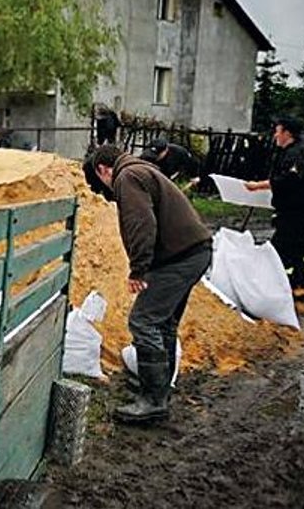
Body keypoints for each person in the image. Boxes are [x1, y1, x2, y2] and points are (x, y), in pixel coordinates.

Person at [87, 145, 211, 424]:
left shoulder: (126, 177)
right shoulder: (143, 170)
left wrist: (139, 270)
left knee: (143, 321)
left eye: (101, 180)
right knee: (163, 322)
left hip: (180, 258)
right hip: (192, 253)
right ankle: (159, 390)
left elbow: (142, 223)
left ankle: (153, 400)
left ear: (103, 170)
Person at [245, 116, 304, 306]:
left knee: (281, 247)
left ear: (287, 133)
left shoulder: (295, 154)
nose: (275, 135)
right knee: (300, 244)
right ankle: (300, 285)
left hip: (297, 208)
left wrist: (259, 186)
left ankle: (282, 287)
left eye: (278, 131)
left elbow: (289, 180)